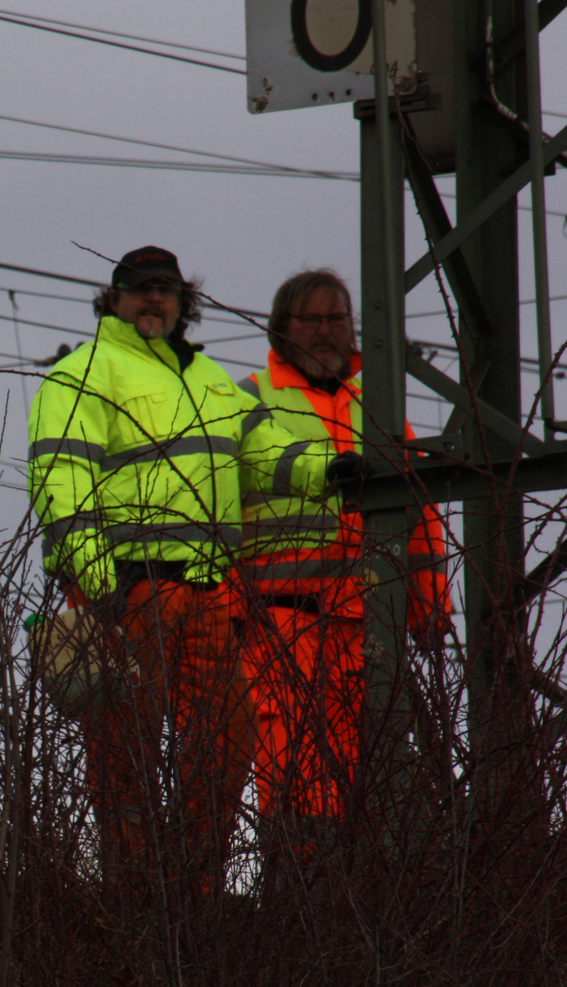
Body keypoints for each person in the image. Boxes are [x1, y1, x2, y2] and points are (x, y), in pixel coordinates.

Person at [27, 246, 358, 896]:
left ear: (184, 303)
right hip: (128, 588)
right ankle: (134, 892)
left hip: (206, 590)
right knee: (125, 755)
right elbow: (60, 478)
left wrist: (327, 471)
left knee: (227, 740)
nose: (154, 301)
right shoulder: (85, 373)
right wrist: (99, 585)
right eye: (139, 290)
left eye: (165, 291)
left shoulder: (208, 380)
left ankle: (190, 889)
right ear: (114, 300)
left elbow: (265, 451)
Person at [236, 269, 450, 858]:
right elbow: (220, 509)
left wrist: (430, 606)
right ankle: (304, 889)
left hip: (369, 620)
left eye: (337, 319)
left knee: (376, 765)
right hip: (279, 620)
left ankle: (366, 891)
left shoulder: (377, 403)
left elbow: (419, 514)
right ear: (282, 328)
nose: (327, 331)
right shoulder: (249, 399)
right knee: (292, 763)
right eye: (313, 319)